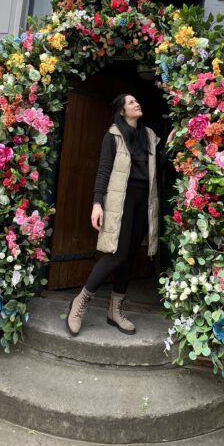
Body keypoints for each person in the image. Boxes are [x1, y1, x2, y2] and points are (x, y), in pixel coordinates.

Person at [66, 94, 160, 337]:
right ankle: (81, 301)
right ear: (121, 111)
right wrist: (97, 203)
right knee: (116, 253)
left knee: (129, 255)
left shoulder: (148, 135)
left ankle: (115, 310)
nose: (137, 103)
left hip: (144, 200)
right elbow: (103, 171)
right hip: (122, 199)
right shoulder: (113, 135)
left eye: (137, 101)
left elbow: (158, 166)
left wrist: (170, 146)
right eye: (131, 102)